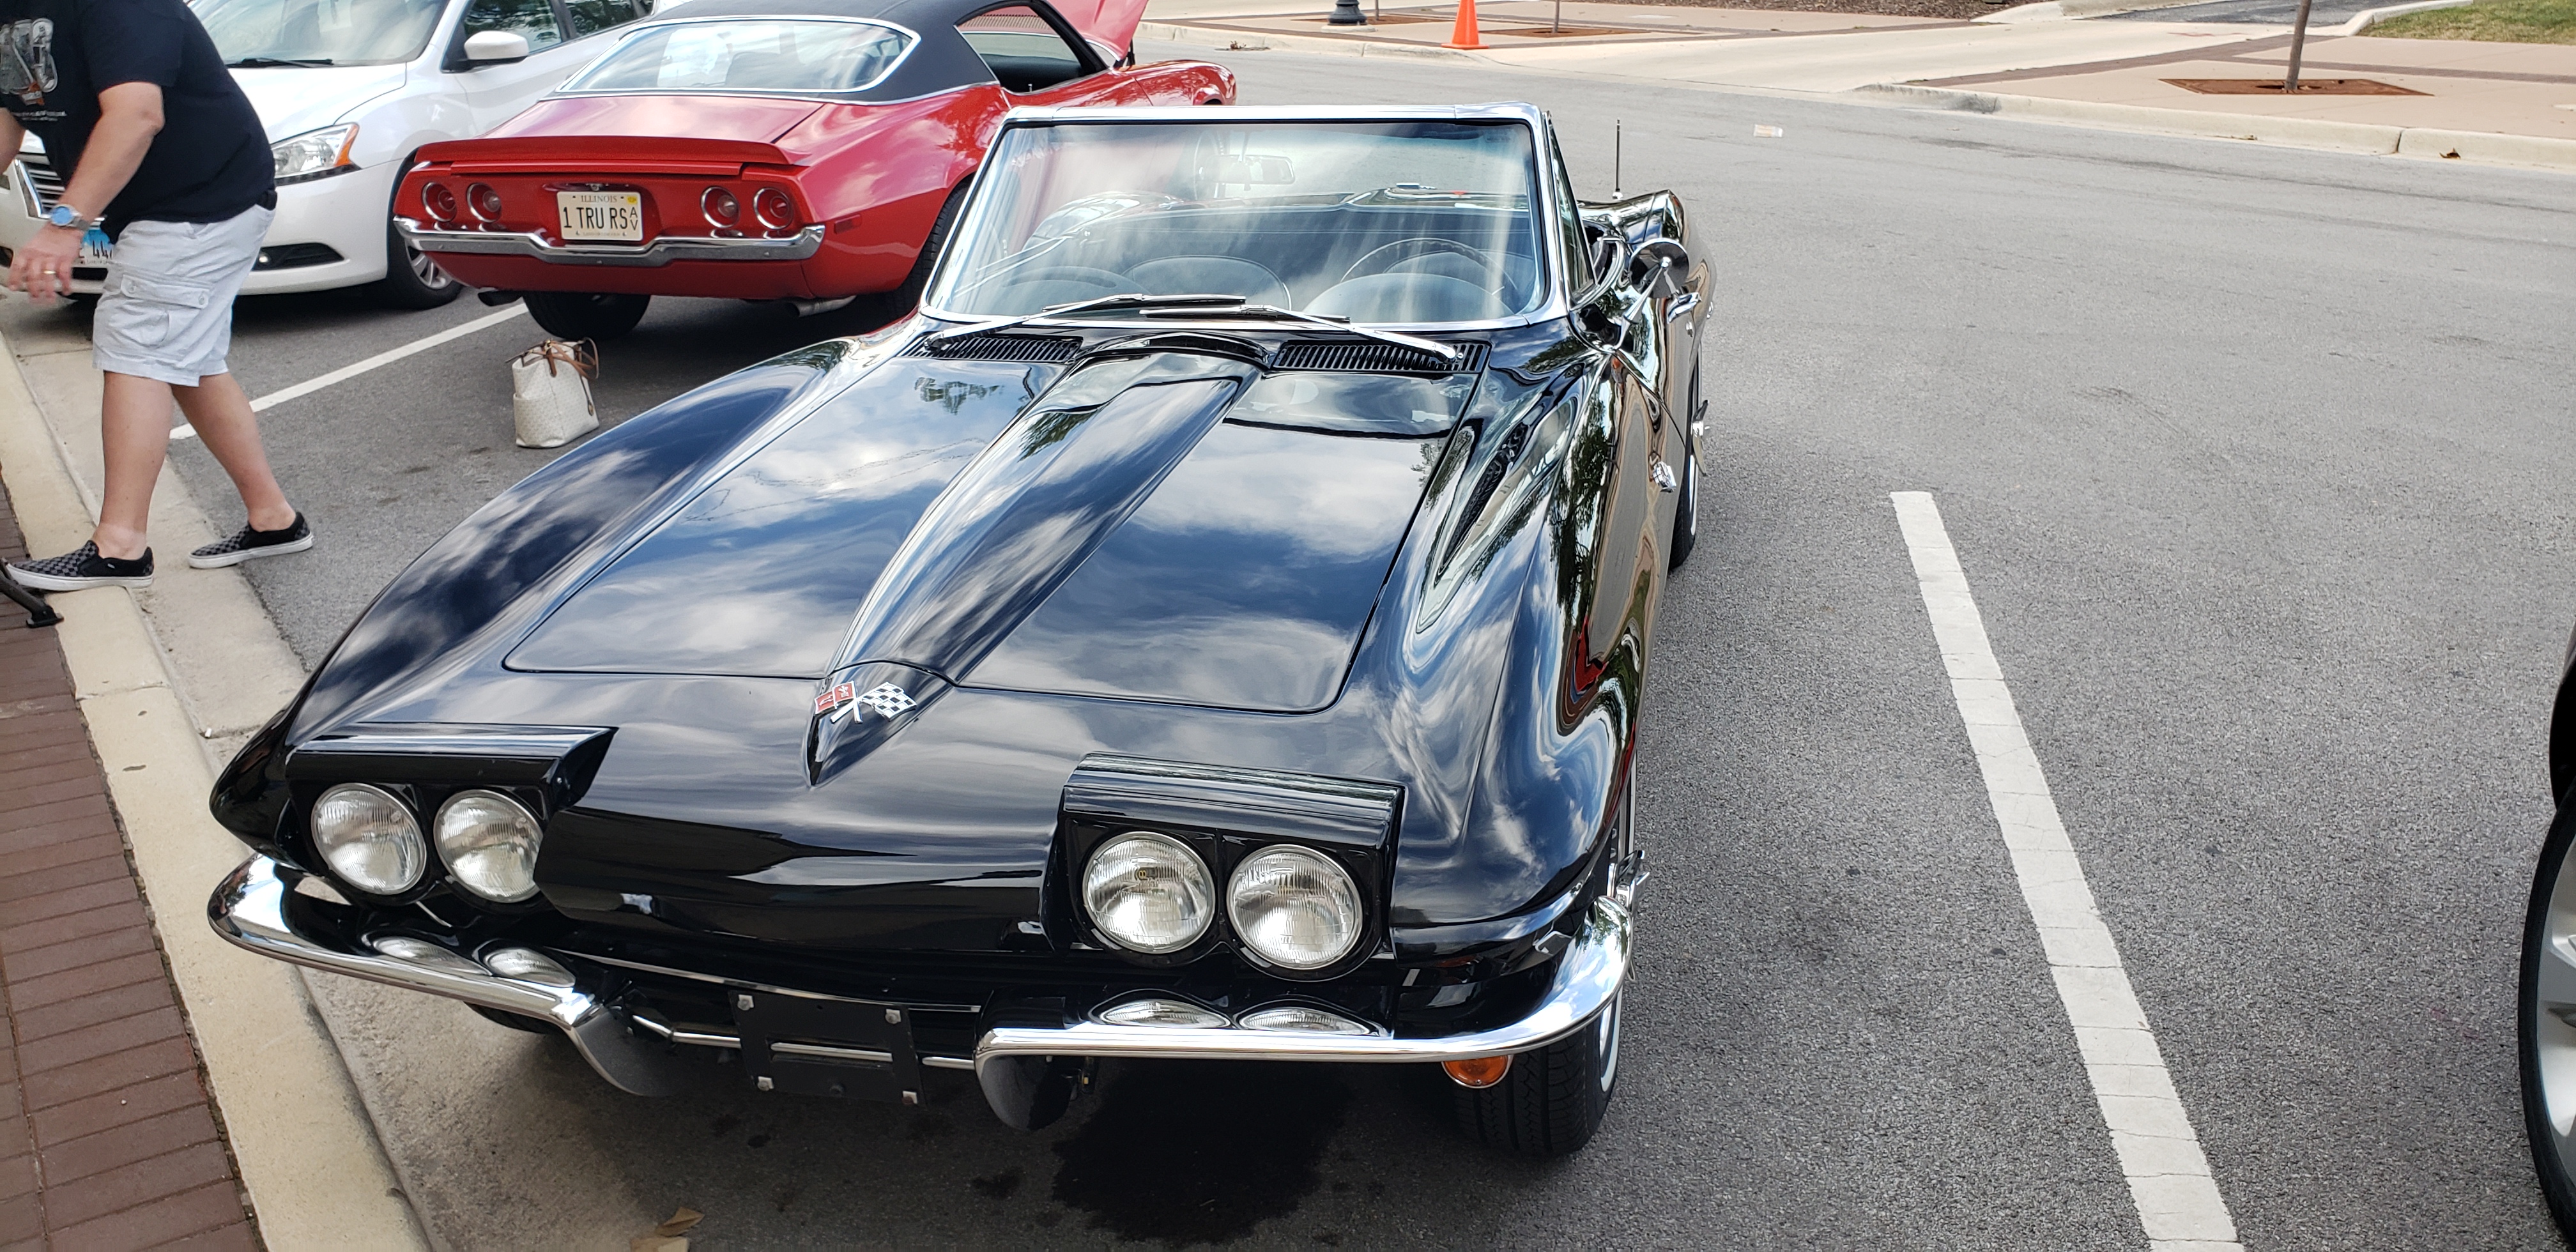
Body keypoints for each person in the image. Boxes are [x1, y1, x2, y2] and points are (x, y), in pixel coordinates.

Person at [0, 0, 311, 593]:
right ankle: (274, 520)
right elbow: (7, 121)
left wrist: (65, 226)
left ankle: (120, 548)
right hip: (152, 205)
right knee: (188, 361)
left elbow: (137, 114)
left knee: (136, 344)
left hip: (204, 198)